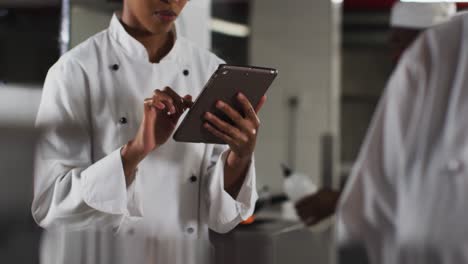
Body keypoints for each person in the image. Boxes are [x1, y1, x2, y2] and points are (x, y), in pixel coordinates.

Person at [32, 0, 263, 263]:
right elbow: (50, 206)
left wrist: (240, 155)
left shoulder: (210, 71)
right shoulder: (74, 71)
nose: (172, 1)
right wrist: (136, 150)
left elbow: (222, 217)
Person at [295, 1, 456, 227]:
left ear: (433, 44)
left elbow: (440, 195)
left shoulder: (454, 105)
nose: (394, 54)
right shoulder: (415, 97)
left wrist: (341, 201)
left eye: (401, 42)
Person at [337, 11, 468, 264]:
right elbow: (362, 227)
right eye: (393, 42)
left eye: (402, 41)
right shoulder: (439, 54)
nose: (396, 53)